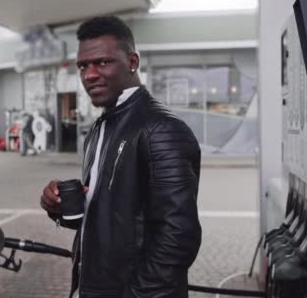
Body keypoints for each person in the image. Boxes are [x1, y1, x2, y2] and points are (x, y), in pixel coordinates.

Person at [40, 16, 202, 298]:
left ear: (132, 62)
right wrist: (59, 208)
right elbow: (112, 220)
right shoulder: (100, 127)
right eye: (83, 65)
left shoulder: (160, 129)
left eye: (103, 62)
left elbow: (178, 236)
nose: (89, 74)